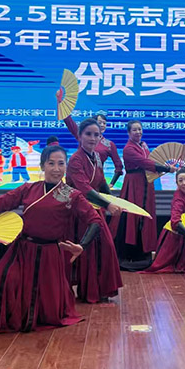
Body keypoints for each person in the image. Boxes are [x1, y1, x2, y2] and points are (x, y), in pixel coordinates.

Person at [0, 145, 103, 333]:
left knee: (48, 308)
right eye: (51, 163)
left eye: (61, 164)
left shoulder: (72, 195)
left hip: (50, 254)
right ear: (42, 166)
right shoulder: (28, 189)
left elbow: (95, 220)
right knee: (2, 276)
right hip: (23, 250)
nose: (56, 169)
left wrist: (82, 245)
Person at [64, 118, 123, 302]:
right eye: (88, 134)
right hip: (79, 212)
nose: (92, 138)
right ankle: (89, 291)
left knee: (104, 247)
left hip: (94, 209)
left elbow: (101, 181)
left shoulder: (96, 156)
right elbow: (83, 188)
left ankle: (97, 290)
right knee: (90, 250)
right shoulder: (75, 159)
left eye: (96, 135)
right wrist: (108, 204)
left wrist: (113, 199)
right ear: (80, 135)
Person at [116, 120, 173, 269]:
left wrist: (162, 169)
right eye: (134, 130)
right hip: (134, 184)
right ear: (128, 133)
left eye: (139, 129)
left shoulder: (144, 145)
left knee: (146, 215)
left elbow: (151, 162)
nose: (138, 132)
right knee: (134, 216)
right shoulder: (128, 149)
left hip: (146, 183)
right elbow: (145, 163)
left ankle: (144, 252)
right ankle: (131, 254)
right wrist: (167, 169)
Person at [61, 107, 124, 187]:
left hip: (96, 181)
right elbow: (70, 123)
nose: (102, 125)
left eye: (104, 123)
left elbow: (119, 166)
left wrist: (111, 184)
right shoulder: (84, 137)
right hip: (79, 179)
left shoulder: (109, 144)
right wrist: (62, 106)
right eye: (100, 122)